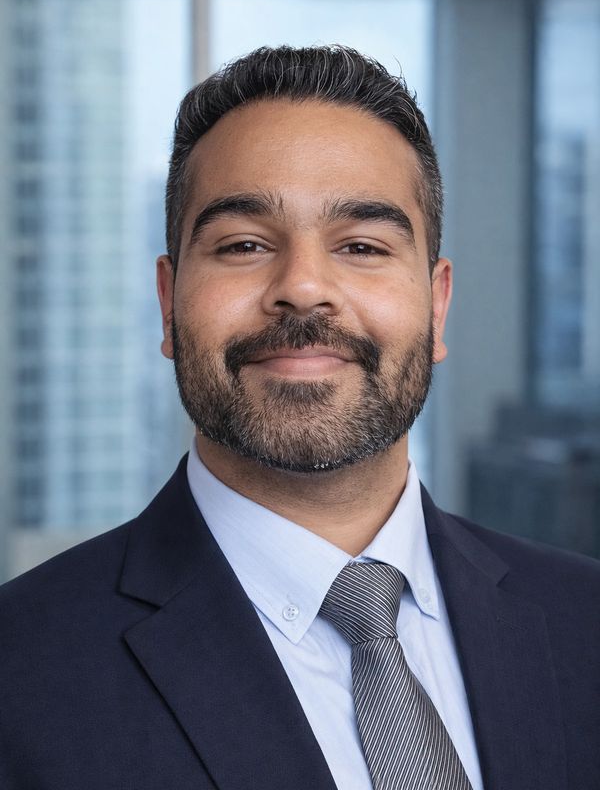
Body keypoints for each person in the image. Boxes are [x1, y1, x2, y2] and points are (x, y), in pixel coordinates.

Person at [0, 45, 598, 790]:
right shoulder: (19, 674)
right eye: (244, 244)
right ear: (168, 302)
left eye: (362, 245)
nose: (304, 287)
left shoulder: (585, 622)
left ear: (437, 305)